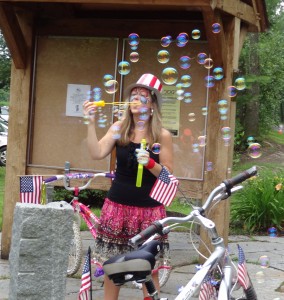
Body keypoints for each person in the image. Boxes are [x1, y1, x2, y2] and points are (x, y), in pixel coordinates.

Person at [83, 73, 176, 300]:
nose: (136, 99)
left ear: (153, 104)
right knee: (111, 267)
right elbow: (96, 153)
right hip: (117, 209)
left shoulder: (161, 135)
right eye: (133, 95)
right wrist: (90, 123)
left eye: (143, 96)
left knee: (149, 267)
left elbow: (168, 174)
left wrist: (151, 163)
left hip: (150, 211)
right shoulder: (119, 128)